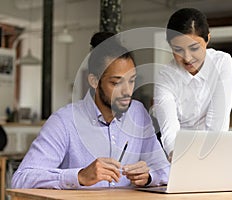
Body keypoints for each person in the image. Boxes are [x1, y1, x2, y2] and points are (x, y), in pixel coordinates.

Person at [11, 32, 169, 189]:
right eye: (116, 83)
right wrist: (79, 176)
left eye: (132, 80)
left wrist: (149, 176)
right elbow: (21, 179)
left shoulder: (138, 113)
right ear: (94, 81)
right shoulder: (65, 121)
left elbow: (166, 170)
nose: (127, 91)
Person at [153, 8, 232, 159]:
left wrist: (207, 157)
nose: (187, 58)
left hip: (214, 151)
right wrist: (177, 156)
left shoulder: (222, 63)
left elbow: (218, 122)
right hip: (178, 155)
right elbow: (169, 129)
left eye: (194, 48)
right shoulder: (165, 77)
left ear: (207, 39)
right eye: (178, 49)